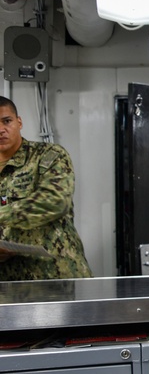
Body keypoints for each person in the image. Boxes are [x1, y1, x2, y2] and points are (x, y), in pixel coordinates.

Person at [0, 96, 91, 281]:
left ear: (19, 122)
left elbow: (55, 201)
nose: (1, 130)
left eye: (6, 121)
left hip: (55, 277)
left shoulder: (49, 155)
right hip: (9, 284)